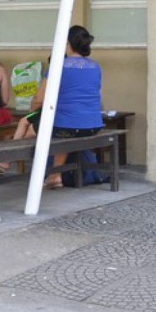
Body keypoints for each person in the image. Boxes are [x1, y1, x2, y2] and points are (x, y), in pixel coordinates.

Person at [41, 25, 103, 189]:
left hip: (67, 126)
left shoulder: (58, 66)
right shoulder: (95, 67)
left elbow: (39, 99)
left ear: (67, 43)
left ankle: (52, 173)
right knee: (65, 128)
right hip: (93, 125)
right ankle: (55, 173)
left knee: (35, 128)